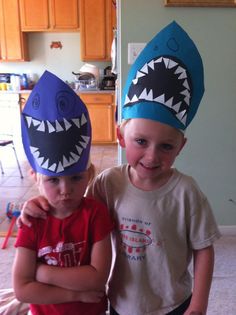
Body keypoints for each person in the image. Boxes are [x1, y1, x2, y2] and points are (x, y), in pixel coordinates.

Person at [19, 22, 221, 315]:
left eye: (166, 146)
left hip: (175, 303)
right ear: (121, 137)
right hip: (121, 303)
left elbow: (204, 249)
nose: (152, 156)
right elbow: (75, 210)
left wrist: (200, 304)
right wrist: (39, 203)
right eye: (141, 141)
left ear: (181, 147)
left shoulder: (186, 192)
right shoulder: (107, 183)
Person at [13, 71, 114, 315]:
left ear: (89, 175)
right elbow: (22, 289)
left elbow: (97, 279)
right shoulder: (32, 220)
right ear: (35, 178)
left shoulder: (96, 214)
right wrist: (74, 294)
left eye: (76, 178)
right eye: (53, 180)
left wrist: (43, 273)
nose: (65, 190)